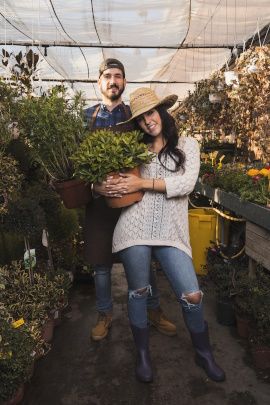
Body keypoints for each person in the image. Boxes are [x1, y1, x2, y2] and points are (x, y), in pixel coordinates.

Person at [110, 87, 226, 383]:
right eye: (140, 118)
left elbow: (185, 184)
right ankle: (143, 356)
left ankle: (204, 355)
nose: (148, 121)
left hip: (171, 232)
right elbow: (110, 183)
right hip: (134, 228)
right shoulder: (133, 150)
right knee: (138, 293)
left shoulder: (187, 144)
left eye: (150, 113)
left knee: (192, 295)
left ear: (161, 111)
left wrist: (141, 183)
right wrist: (102, 188)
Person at [83, 59, 177, 340]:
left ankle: (153, 309)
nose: (113, 81)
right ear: (99, 82)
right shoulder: (86, 117)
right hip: (99, 204)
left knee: (143, 260)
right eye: (108, 76)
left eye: (118, 76)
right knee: (101, 265)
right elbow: (77, 165)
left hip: (136, 201)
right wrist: (95, 187)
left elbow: (151, 152)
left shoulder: (135, 117)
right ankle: (104, 313)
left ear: (124, 82)